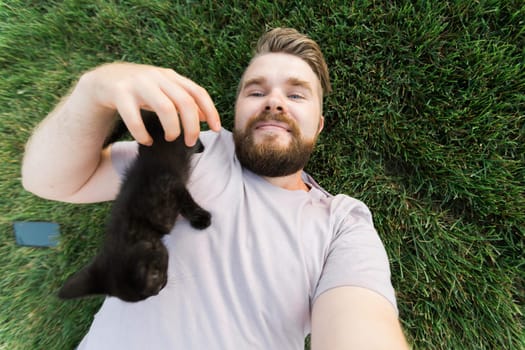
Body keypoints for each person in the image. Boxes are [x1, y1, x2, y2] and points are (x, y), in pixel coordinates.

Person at [22, 28, 408, 349]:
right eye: (256, 92)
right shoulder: (195, 150)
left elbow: (361, 325)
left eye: (295, 94)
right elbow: (48, 180)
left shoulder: (342, 223)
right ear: (236, 111)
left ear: (319, 125)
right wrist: (92, 93)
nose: (273, 101)